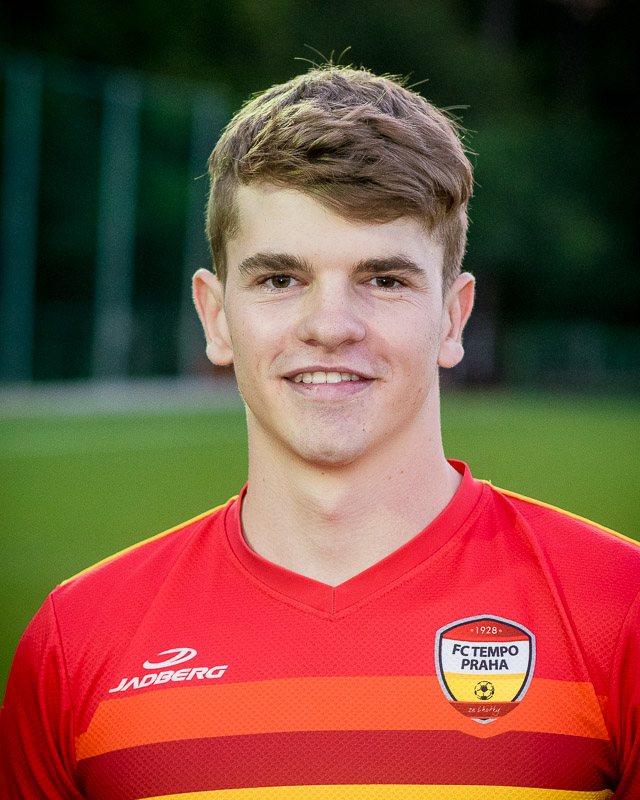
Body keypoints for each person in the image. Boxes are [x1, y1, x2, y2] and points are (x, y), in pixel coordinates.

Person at [1, 64, 639, 799]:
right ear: (215, 317)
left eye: (384, 280)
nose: (330, 326)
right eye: (280, 279)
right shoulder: (77, 642)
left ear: (453, 317)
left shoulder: (620, 612)